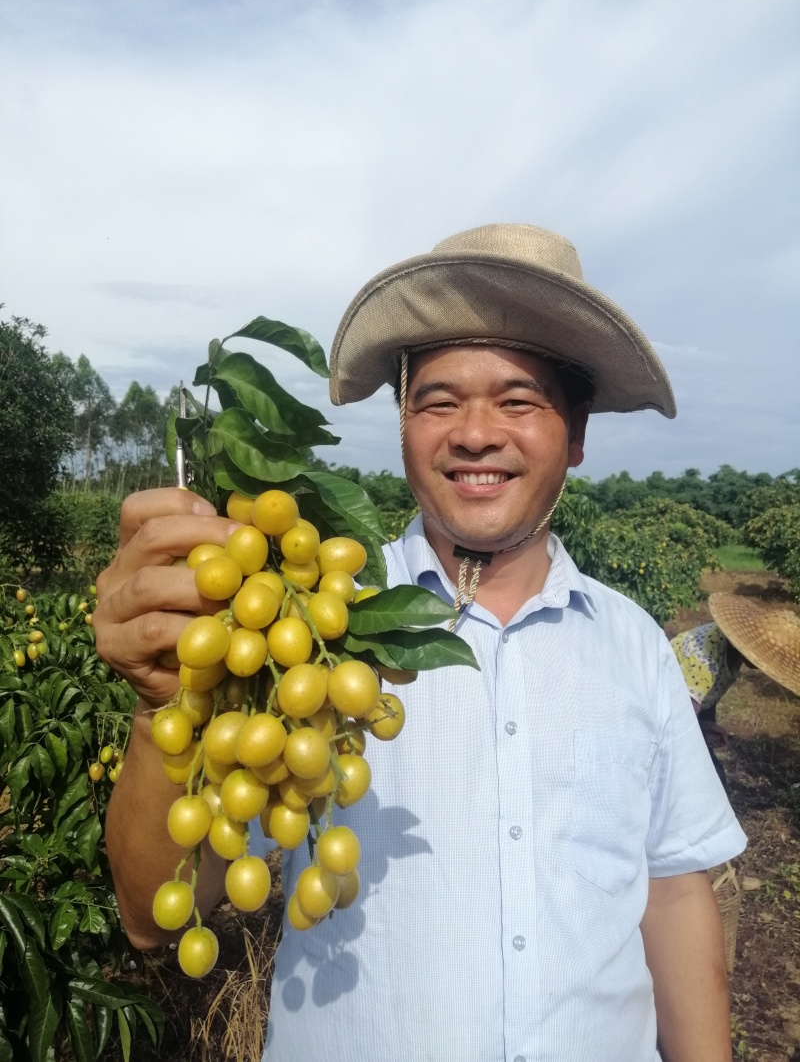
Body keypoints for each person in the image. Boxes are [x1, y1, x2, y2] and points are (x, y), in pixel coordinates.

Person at [94, 224, 747, 1062]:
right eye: (439, 400)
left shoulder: (634, 647)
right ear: (401, 423)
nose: (476, 433)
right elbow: (154, 918)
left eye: (519, 399)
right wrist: (162, 709)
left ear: (576, 435)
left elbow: (673, 889)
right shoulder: (306, 637)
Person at [671, 592, 800, 786]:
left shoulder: (730, 649)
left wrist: (706, 725)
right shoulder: (705, 660)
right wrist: (700, 733)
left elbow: (704, 697)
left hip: (684, 713)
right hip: (666, 718)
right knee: (711, 782)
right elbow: (679, 724)